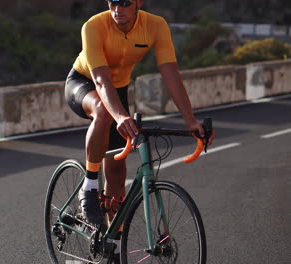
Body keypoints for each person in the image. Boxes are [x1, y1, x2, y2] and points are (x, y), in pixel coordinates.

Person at [64, 0, 215, 261]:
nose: (117, 9)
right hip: (84, 83)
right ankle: (88, 187)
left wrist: (190, 121)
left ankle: (113, 244)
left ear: (139, 3)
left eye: (124, 2)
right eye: (112, 2)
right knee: (102, 110)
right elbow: (100, 80)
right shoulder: (93, 26)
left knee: (117, 172)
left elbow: (170, 73)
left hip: (117, 90)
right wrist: (120, 115)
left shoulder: (155, 26)